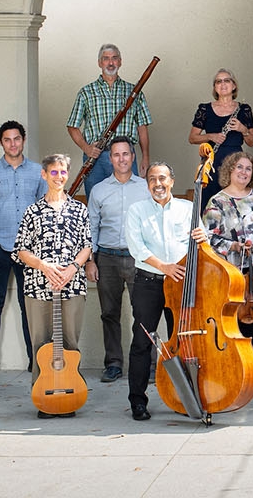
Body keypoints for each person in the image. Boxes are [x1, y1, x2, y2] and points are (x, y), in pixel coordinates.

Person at [12, 154, 93, 419]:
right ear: (44, 175)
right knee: (40, 344)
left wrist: (71, 269)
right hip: (38, 286)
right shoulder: (32, 211)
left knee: (69, 343)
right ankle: (43, 396)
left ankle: (69, 393)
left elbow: (87, 246)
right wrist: (44, 266)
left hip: (71, 286)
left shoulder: (79, 209)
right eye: (53, 172)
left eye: (63, 172)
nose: (59, 177)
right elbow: (20, 250)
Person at [200, 151, 253, 386]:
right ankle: (231, 366)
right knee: (233, 319)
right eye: (239, 167)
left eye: (248, 168)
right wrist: (234, 245)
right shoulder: (217, 201)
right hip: (232, 268)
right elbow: (209, 238)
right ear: (229, 170)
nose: (244, 172)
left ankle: (251, 368)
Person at [0, 120, 46, 380]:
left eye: (16, 138)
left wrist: (37, 243)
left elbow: (45, 210)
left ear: (23, 140)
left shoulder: (38, 172)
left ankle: (34, 360)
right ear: (0, 142)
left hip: (29, 251)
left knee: (30, 306)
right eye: (7, 139)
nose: (12, 143)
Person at [123, 161, 196, 421]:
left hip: (180, 283)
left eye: (163, 178)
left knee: (184, 341)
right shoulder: (136, 210)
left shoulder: (189, 209)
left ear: (172, 181)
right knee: (143, 342)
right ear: (147, 184)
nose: (158, 184)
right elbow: (137, 248)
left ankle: (188, 399)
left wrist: (202, 238)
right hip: (149, 282)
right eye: (152, 179)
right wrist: (164, 266)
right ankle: (138, 401)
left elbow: (202, 244)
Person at [85, 136, 150, 384]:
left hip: (138, 259)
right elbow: (91, 227)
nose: (121, 159)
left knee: (143, 313)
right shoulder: (99, 190)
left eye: (126, 154)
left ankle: (146, 362)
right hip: (107, 258)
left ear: (133, 157)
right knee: (109, 313)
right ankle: (113, 363)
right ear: (110, 159)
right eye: (116, 155)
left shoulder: (145, 187)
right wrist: (90, 261)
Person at [67, 43, 152, 199]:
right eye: (106, 59)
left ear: (120, 61)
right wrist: (86, 148)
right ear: (100, 63)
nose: (110, 62)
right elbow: (72, 126)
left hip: (125, 155)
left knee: (130, 200)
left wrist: (145, 157)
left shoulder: (134, 91)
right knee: (95, 201)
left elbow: (142, 127)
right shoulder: (86, 92)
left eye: (114, 58)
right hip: (96, 157)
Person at [187, 68, 253, 207]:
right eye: (218, 81)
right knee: (209, 203)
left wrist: (242, 129)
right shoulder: (204, 109)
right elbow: (192, 138)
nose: (223, 84)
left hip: (236, 163)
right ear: (215, 87)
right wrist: (210, 136)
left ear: (234, 85)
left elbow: (252, 142)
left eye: (227, 80)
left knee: (235, 203)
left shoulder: (244, 109)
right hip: (212, 162)